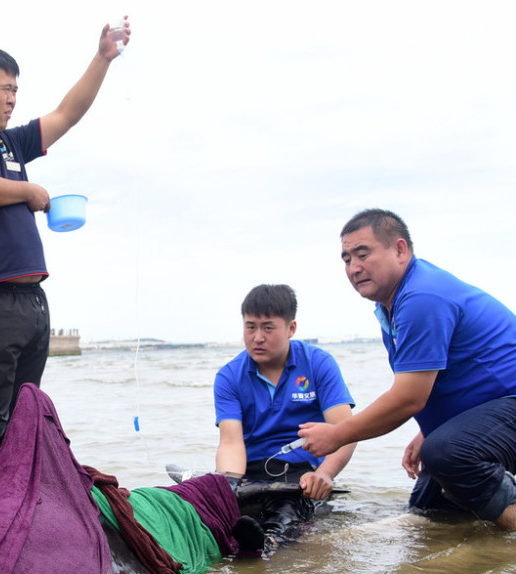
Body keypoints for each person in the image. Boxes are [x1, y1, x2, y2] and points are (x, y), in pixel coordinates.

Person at [0, 21, 129, 503]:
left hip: (30, 300)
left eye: (17, 90)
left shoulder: (9, 145)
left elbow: (66, 115)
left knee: (12, 420)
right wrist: (30, 191)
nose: (13, 98)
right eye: (5, 88)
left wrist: (102, 59)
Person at [298, 209, 516, 530]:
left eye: (363, 254)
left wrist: (338, 435)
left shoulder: (421, 297)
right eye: (346, 259)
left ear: (400, 250)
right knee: (427, 513)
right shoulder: (393, 305)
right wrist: (427, 430)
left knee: (447, 453)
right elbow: (446, 378)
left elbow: (408, 398)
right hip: (495, 410)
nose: (354, 268)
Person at [213, 284, 357, 536]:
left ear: (291, 328)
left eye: (268, 328)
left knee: (284, 519)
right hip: (251, 473)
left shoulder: (318, 363)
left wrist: (325, 474)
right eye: (250, 327)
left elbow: (346, 432)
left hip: (303, 473)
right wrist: (229, 486)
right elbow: (231, 443)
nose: (258, 337)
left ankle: (266, 553)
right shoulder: (228, 376)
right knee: (217, 520)